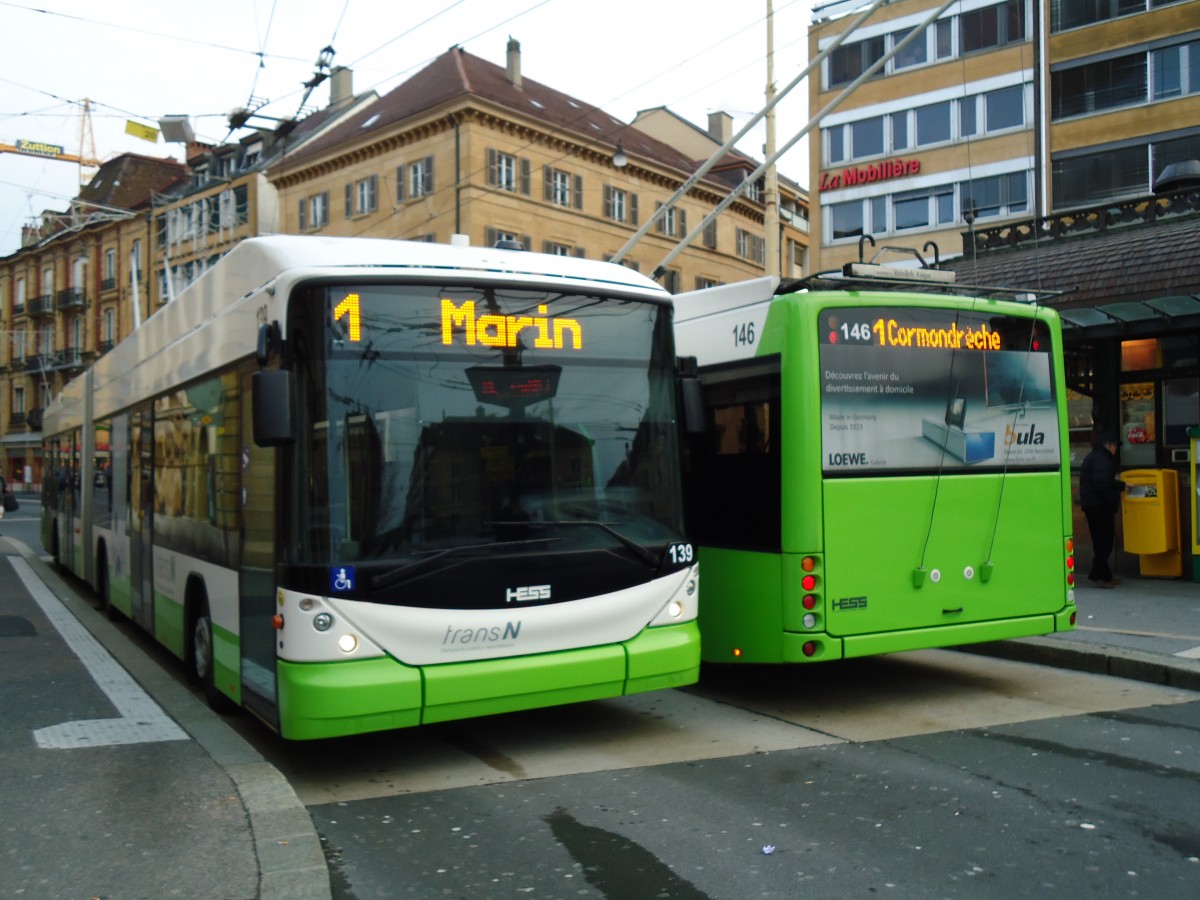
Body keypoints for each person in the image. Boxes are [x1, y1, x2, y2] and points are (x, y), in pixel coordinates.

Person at [1079, 433, 1126, 588]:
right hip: (1100, 505)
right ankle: (1096, 574)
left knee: (1100, 542)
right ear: (1109, 446)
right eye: (1115, 447)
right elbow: (1102, 484)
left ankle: (1105, 576)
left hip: (1092, 504)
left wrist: (1123, 486)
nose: (1116, 450)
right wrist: (1113, 503)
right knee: (1106, 542)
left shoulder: (1095, 457)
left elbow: (1104, 480)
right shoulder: (1103, 459)